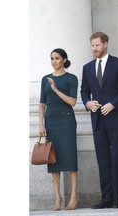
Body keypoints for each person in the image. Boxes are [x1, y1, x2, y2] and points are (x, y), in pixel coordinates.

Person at [80, 32, 118, 209]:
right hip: (98, 121)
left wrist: (113, 104)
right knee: (103, 160)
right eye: (92, 45)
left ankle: (117, 199)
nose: (94, 49)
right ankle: (106, 198)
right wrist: (87, 102)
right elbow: (84, 89)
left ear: (106, 44)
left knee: (116, 158)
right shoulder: (87, 67)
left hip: (115, 119)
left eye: (97, 45)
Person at [38, 48, 79, 211]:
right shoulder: (45, 79)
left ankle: (74, 195)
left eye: (57, 58)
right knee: (53, 159)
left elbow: (73, 102)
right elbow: (42, 103)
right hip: (51, 121)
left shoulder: (71, 78)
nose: (54, 61)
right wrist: (40, 124)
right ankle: (57, 197)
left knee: (70, 158)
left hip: (67, 121)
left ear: (64, 60)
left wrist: (55, 89)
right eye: (52, 58)